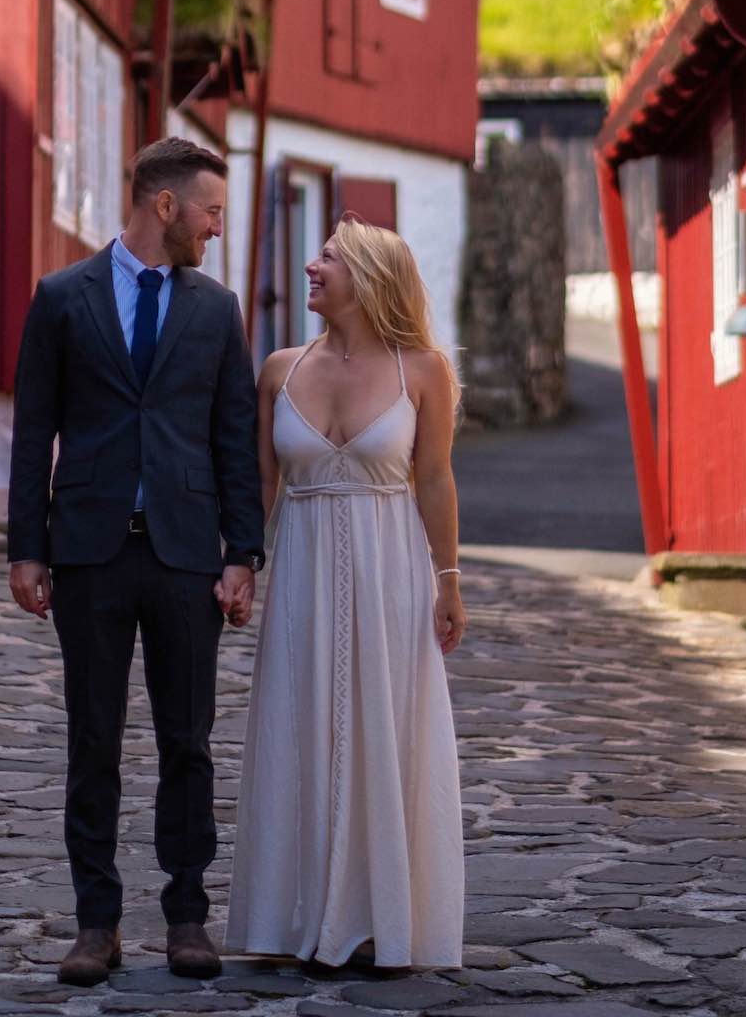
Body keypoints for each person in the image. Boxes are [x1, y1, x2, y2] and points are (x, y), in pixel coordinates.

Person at [6, 137, 265, 988]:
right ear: (167, 208)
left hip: (189, 557)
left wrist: (243, 554)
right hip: (88, 553)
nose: (218, 228)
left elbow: (235, 439)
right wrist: (26, 547)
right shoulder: (59, 299)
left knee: (187, 741)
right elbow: (31, 430)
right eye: (212, 210)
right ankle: (96, 924)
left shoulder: (217, 309)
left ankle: (186, 916)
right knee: (94, 742)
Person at [225, 214, 466, 970]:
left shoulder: (422, 370)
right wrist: (241, 566)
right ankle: (296, 919)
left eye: (327, 257)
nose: (310, 267)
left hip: (391, 568)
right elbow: (262, 481)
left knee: (384, 730)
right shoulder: (278, 369)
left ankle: (379, 920)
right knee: (301, 727)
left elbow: (433, 479)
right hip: (300, 565)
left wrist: (448, 578)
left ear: (368, 275)